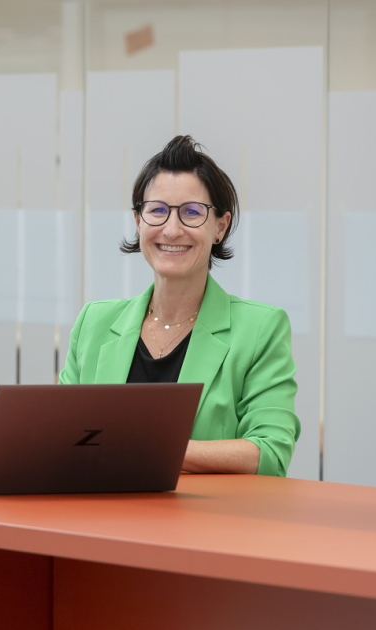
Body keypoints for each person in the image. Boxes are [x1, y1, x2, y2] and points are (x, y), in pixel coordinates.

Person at [60, 135, 299, 477]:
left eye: (192, 213)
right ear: (138, 221)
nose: (172, 230)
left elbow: (269, 454)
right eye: (157, 211)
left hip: (202, 513)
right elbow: (62, 438)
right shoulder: (93, 322)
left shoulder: (261, 328)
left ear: (220, 227)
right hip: (101, 508)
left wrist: (146, 447)